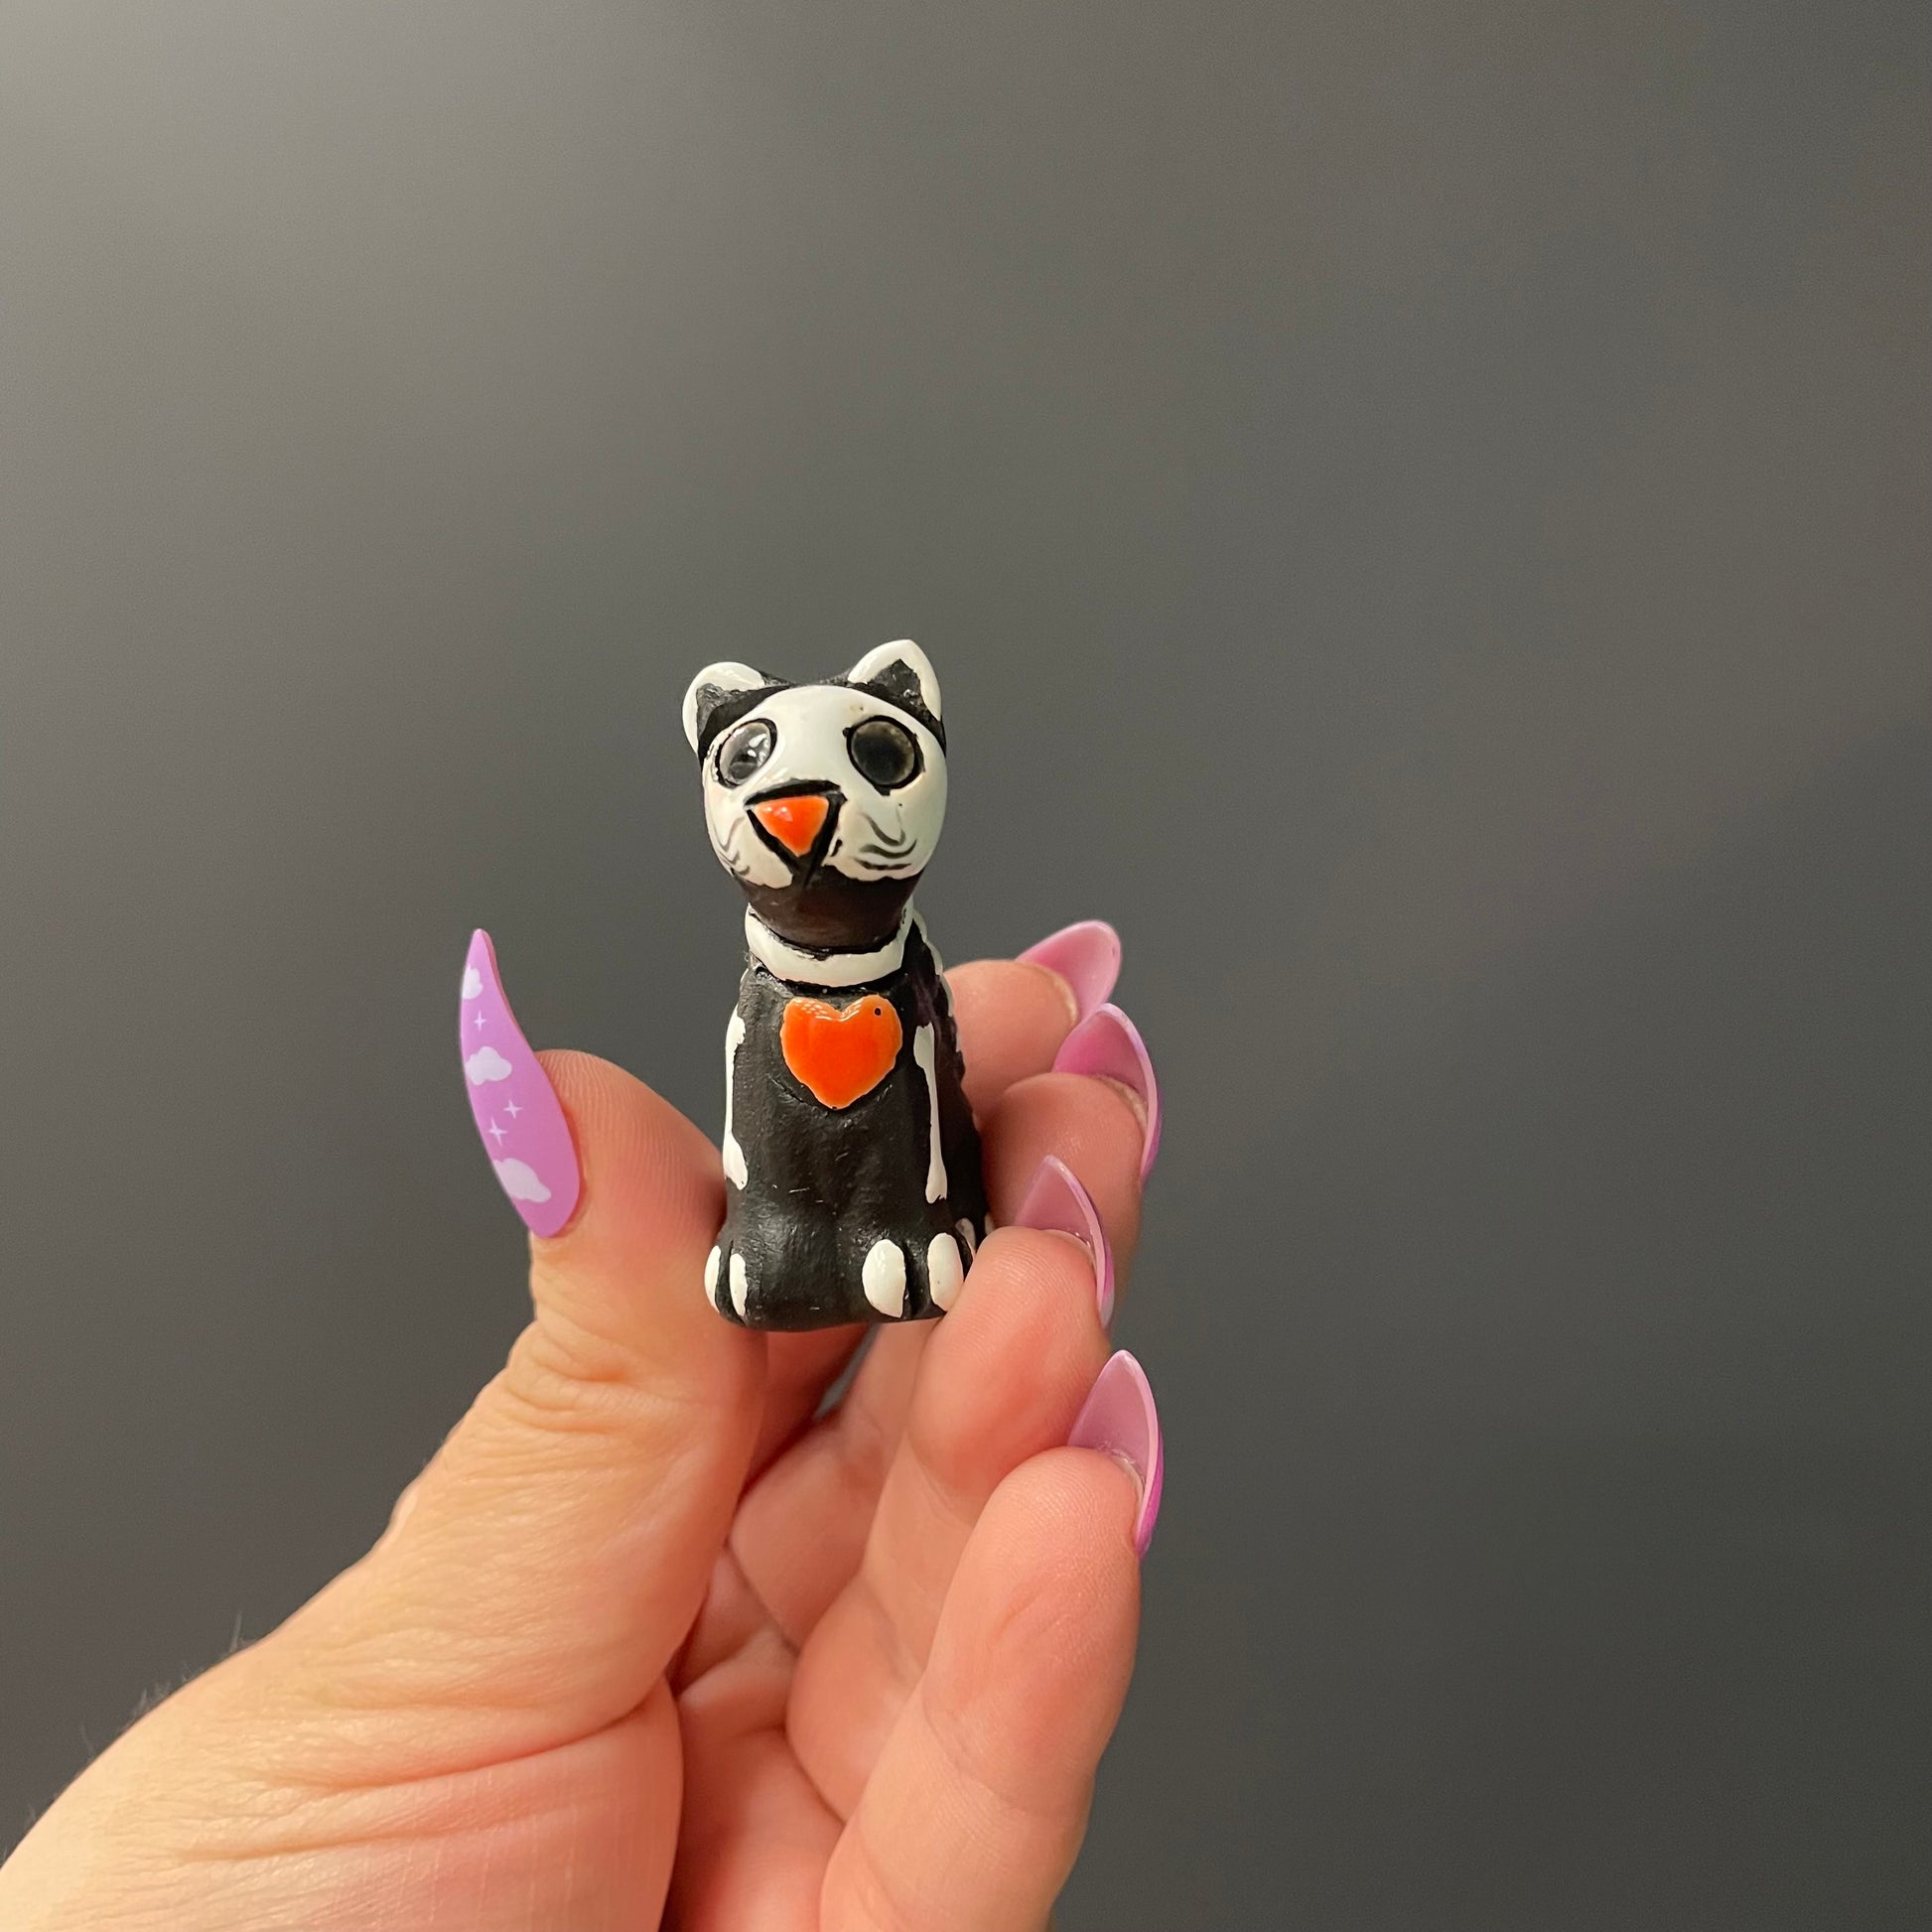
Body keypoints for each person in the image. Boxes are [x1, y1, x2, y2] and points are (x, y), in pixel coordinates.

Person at [0, 923, 1164, 1931]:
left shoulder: (906, 986)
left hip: (909, 1212)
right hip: (782, 1236)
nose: (805, 813)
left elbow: (925, 1113)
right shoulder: (764, 1003)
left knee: (965, 1235)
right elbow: (759, 1138)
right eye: (748, 765)